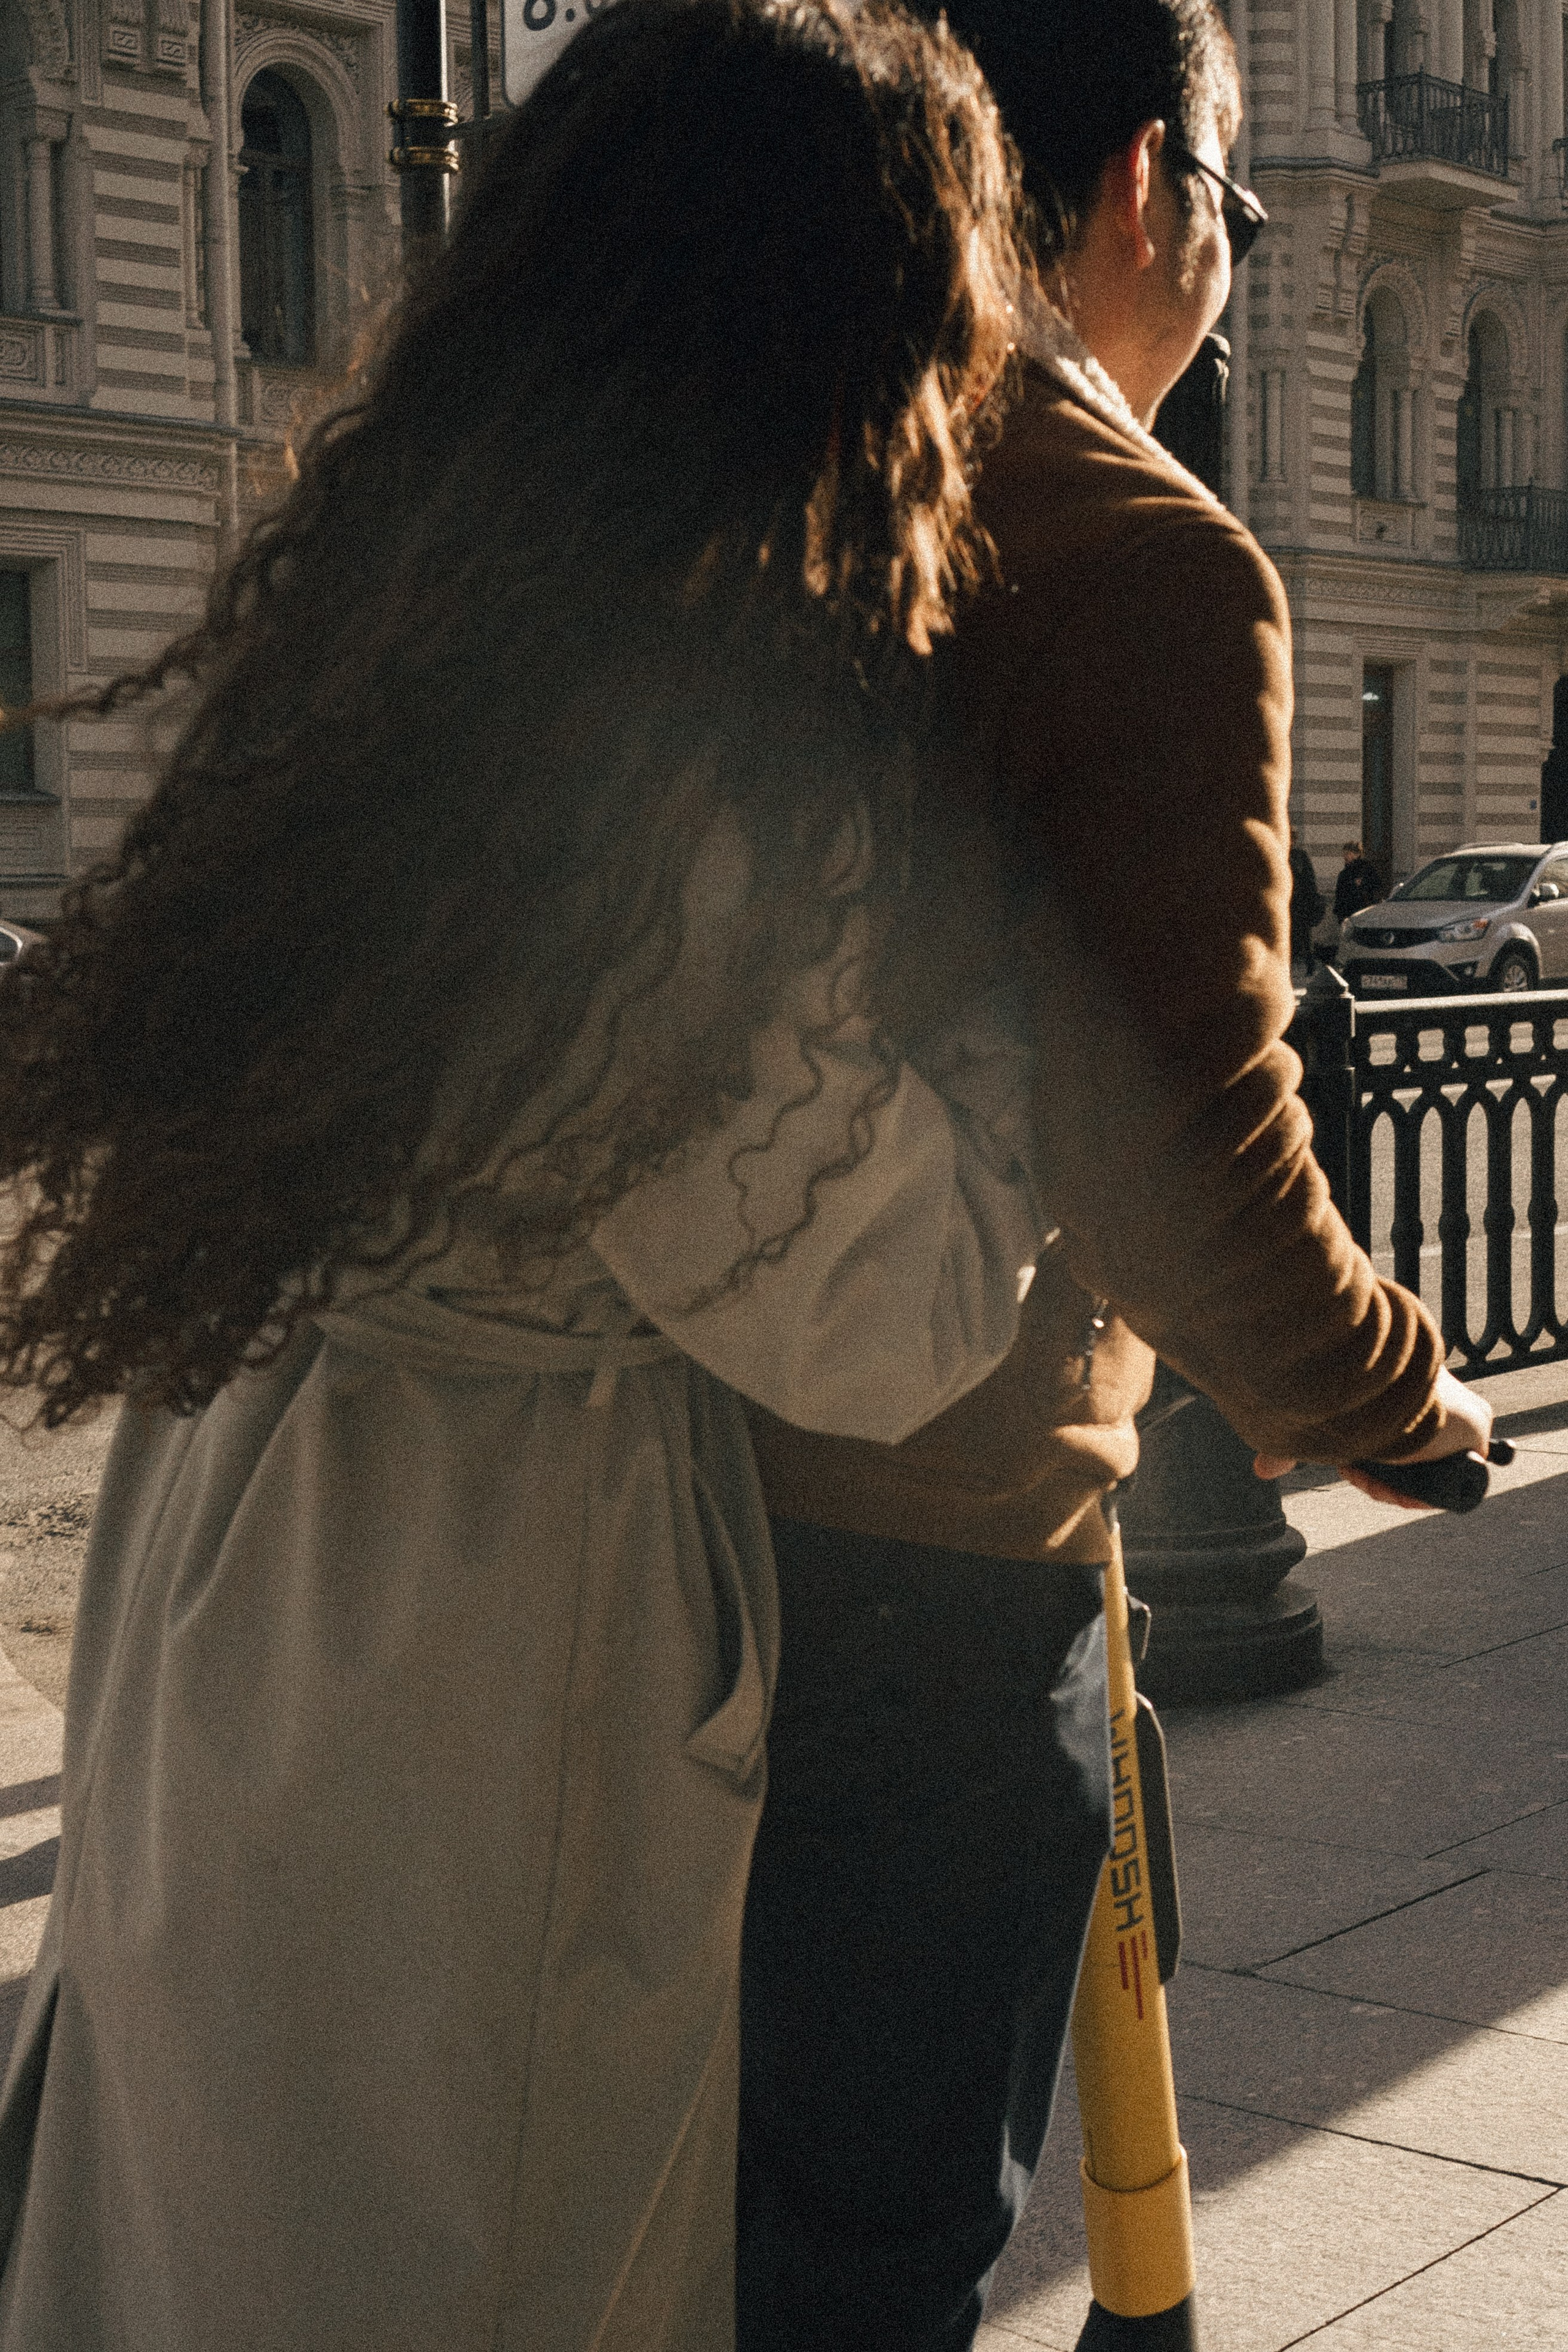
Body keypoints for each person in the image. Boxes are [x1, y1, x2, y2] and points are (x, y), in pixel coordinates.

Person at [0, 6, 1043, 2346]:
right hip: (474, 1657)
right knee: (458, 2256)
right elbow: (892, 1318)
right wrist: (1005, 985)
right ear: (830, 335)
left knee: (204, 2235)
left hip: (244, 1570)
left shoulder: (402, 632)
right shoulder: (675, 775)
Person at [735, 5, 1494, 2348]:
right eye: (1238, 223)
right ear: (1148, 187)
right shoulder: (1135, 545)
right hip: (941, 1548)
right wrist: (1396, 1402)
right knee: (869, 2249)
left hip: (672, 1511)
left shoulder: (780, 469)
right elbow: (1194, 1137)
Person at [1288, 825, 1325, 974]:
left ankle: (1310, 965)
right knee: (1291, 936)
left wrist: (1311, 902)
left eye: (1292, 838)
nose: (1290, 841)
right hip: (1288, 903)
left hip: (1301, 903)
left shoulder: (1300, 856)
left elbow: (1310, 880)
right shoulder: (1281, 854)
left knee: (1304, 936)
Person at [1335, 839, 1385, 922]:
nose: (1345, 857)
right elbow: (1340, 894)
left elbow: (1376, 887)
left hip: (1362, 911)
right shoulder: (1345, 873)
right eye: (1345, 854)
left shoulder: (1366, 870)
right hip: (1349, 912)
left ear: (1357, 855)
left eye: (1348, 854)